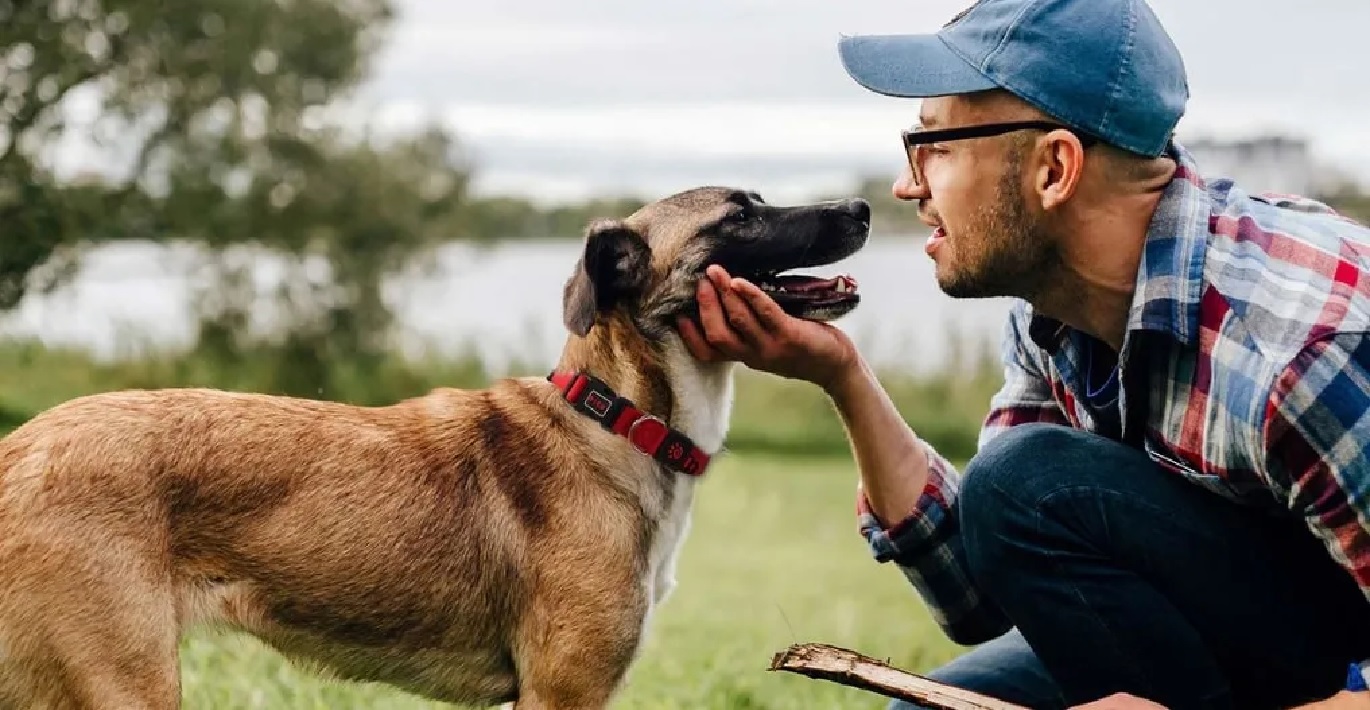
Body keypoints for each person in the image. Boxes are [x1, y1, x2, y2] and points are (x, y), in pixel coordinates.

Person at [674, 0, 1370, 708]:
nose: (907, 183)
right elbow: (979, 590)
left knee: (1022, 477)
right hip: (1241, 634)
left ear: (1053, 169)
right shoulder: (1056, 313)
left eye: (935, 146)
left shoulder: (1305, 350)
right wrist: (842, 373)